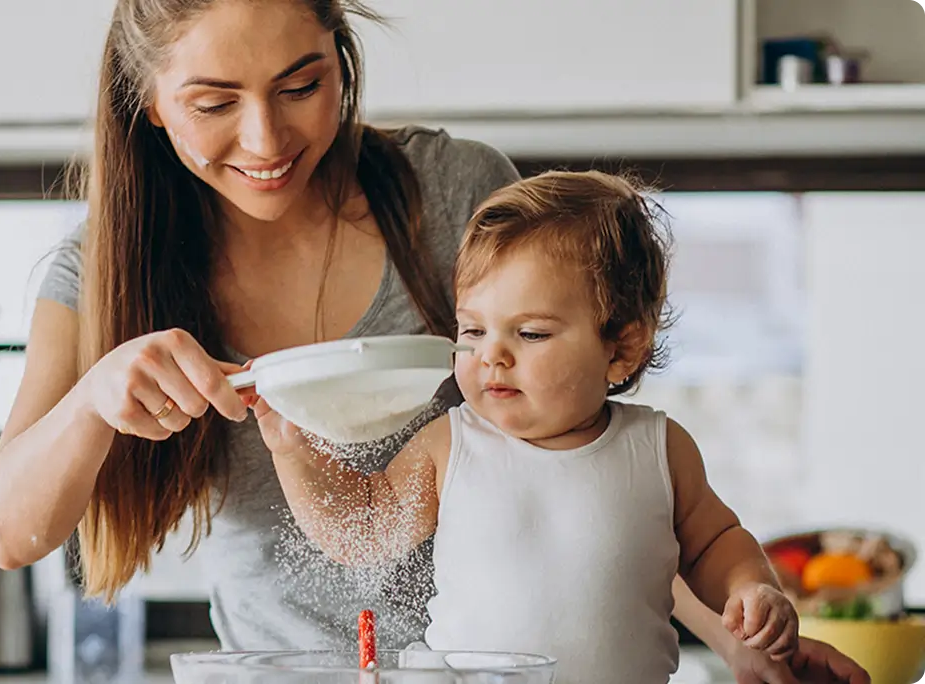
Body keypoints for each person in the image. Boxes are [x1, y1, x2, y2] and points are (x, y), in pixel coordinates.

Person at [0, 1, 869, 682]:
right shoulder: (103, 270)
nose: (267, 138)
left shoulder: (456, 190)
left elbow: (585, 489)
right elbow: (11, 532)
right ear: (153, 106)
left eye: (301, 85)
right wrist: (95, 397)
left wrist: (744, 644)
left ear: (342, 58)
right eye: (214, 102)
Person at [255, 170, 799, 684]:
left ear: (622, 348)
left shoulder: (659, 449)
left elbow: (714, 546)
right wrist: (291, 449)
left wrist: (751, 587)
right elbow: (365, 530)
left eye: (531, 334)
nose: (492, 355)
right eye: (472, 329)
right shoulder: (452, 443)